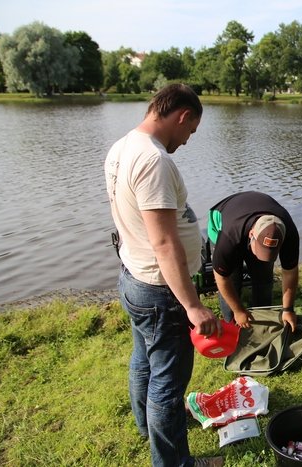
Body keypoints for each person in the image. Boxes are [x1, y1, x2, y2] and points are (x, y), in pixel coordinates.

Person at [104, 84, 224, 467]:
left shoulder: (122, 147)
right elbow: (164, 243)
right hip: (160, 289)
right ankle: (173, 462)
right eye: (191, 132)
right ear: (183, 116)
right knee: (168, 384)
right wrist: (192, 305)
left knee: (144, 359)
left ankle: (147, 427)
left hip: (134, 277)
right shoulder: (153, 160)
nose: (187, 141)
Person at [207, 191, 299, 332]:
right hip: (221, 221)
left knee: (263, 279)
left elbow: (290, 272)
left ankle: (261, 326)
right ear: (251, 235)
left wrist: (287, 309)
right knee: (233, 279)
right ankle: (231, 325)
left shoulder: (289, 234)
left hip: (251, 222)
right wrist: (238, 311)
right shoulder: (229, 237)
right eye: (262, 250)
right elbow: (221, 278)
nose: (263, 256)